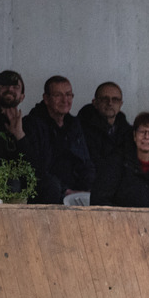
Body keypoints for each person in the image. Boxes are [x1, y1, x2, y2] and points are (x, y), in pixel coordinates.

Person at [22, 75, 95, 203]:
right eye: (58, 95)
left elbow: (85, 162)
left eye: (68, 95)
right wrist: (65, 191)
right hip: (50, 191)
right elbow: (37, 168)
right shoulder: (32, 124)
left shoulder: (74, 124)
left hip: (76, 190)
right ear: (46, 98)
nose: (64, 100)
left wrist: (90, 188)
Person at [90, 112, 149, 208]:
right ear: (134, 136)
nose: (146, 137)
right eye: (142, 132)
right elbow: (99, 199)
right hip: (118, 219)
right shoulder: (116, 160)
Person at [77, 82, 132, 171]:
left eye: (115, 99)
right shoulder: (80, 130)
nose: (110, 103)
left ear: (121, 104)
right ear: (95, 103)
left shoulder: (129, 132)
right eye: (104, 99)